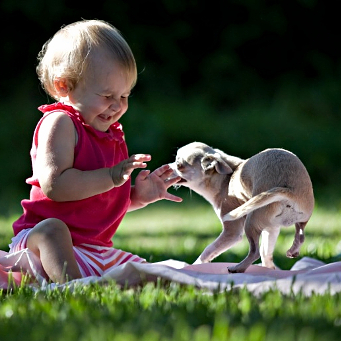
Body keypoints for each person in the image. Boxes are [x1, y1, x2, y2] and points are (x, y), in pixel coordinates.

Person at [9, 19, 182, 284]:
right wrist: (112, 176)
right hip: (40, 248)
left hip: (91, 252)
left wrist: (137, 197)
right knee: (53, 230)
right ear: (63, 86)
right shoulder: (61, 123)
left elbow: (99, 201)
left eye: (124, 96)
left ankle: (82, 281)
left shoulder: (111, 134)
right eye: (107, 95)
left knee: (153, 276)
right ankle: (73, 288)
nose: (116, 106)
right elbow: (56, 186)